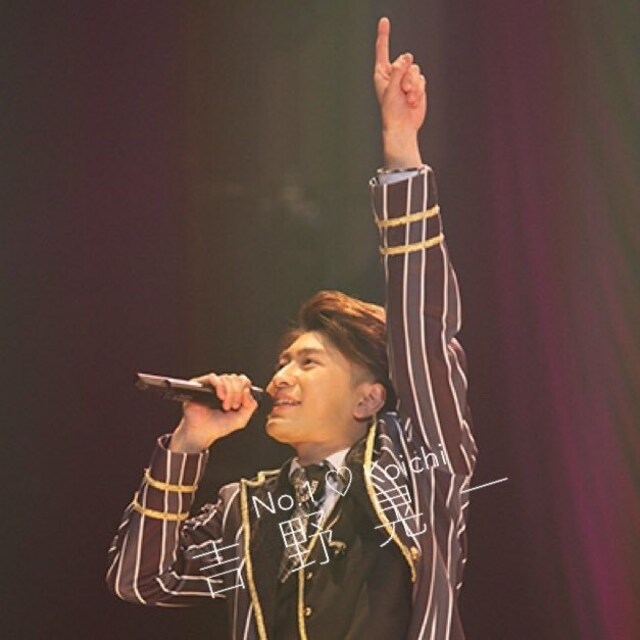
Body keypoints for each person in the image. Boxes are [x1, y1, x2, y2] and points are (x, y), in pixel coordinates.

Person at [107, 17, 477, 640]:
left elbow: (423, 330)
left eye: (308, 362)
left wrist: (401, 149)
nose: (280, 377)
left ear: (369, 398)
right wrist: (189, 444)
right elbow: (142, 580)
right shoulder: (249, 512)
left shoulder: (419, 467)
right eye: (283, 361)